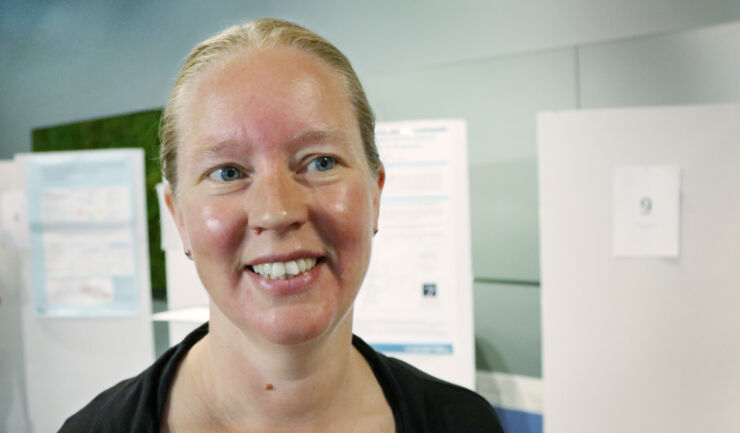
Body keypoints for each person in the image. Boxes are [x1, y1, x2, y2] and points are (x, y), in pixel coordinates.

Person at [59, 18, 504, 432]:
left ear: (375, 195)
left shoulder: (464, 423)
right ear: (179, 218)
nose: (276, 212)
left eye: (321, 162)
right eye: (228, 172)